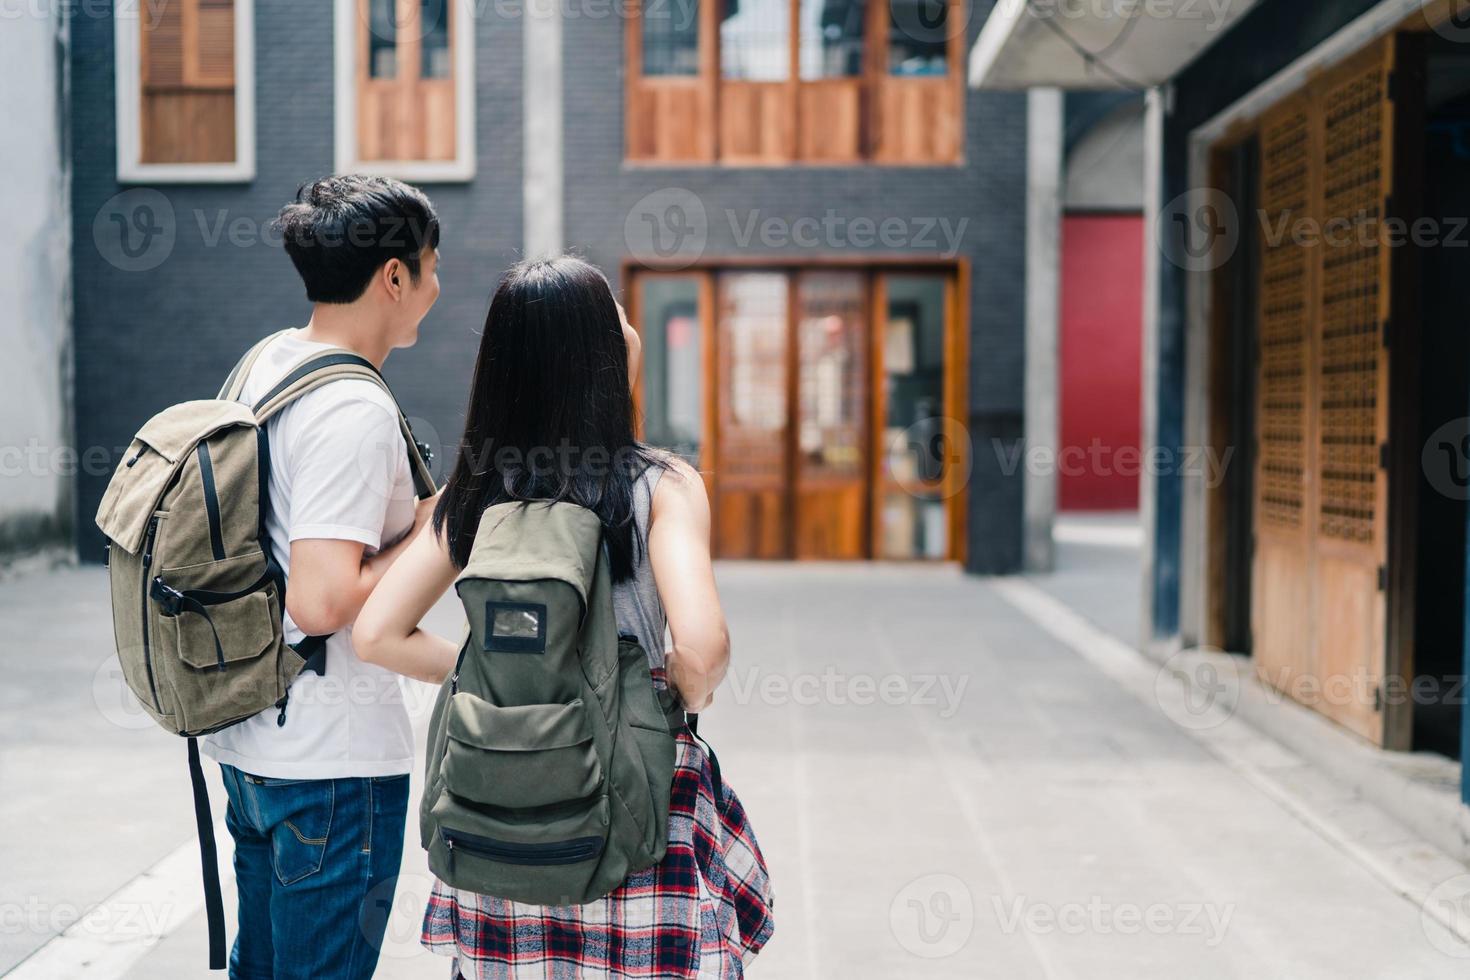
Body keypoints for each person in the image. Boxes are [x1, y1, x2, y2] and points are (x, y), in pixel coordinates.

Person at [355, 256, 776, 978]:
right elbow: (703, 649)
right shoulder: (660, 485)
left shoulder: (477, 492)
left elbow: (376, 634)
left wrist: (491, 670)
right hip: (630, 815)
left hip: (502, 824)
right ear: (607, 359)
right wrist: (663, 690)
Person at [202, 174, 452, 980]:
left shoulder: (268, 360)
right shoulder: (353, 410)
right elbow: (320, 599)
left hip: (254, 747)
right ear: (393, 277)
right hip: (331, 771)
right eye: (431, 268)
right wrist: (425, 532)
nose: (437, 288)